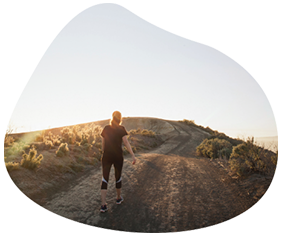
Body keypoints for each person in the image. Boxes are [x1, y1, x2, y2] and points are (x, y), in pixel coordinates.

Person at [100, 111, 136, 213]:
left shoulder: (106, 128)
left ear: (112, 117)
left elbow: (103, 142)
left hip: (106, 156)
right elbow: (126, 142)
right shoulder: (121, 129)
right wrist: (133, 155)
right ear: (120, 118)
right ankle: (118, 198)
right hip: (118, 157)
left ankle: (103, 205)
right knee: (118, 176)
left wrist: (103, 153)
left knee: (105, 178)